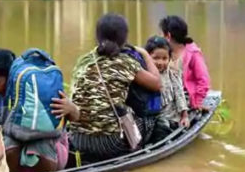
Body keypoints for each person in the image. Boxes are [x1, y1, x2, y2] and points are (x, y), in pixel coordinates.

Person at [68, 13, 161, 163]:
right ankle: (136, 148)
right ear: (124, 38)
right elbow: (157, 84)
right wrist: (145, 54)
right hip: (110, 143)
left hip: (78, 140)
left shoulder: (83, 61)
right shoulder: (126, 62)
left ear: (97, 36)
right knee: (151, 118)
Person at [0, 48, 74, 172]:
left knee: (36, 145)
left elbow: (77, 118)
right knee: (7, 142)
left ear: (12, 77)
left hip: (49, 155)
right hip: (12, 156)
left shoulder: (39, 92)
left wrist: (71, 109)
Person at [159, 16, 211, 110]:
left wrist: (197, 102)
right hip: (168, 96)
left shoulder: (192, 53)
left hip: (185, 98)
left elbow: (204, 80)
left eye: (162, 34)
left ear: (168, 36)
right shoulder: (163, 51)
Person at [144, 36, 189, 142]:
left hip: (169, 117)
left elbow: (179, 94)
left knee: (162, 126)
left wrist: (184, 116)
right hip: (150, 118)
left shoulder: (172, 74)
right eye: (156, 58)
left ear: (169, 58)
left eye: (164, 58)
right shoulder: (144, 74)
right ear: (148, 57)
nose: (160, 62)